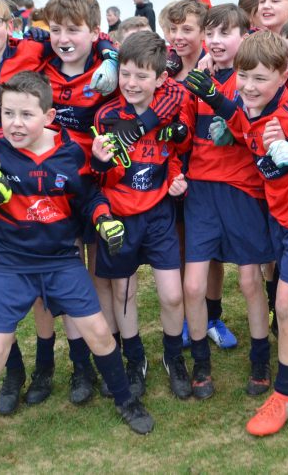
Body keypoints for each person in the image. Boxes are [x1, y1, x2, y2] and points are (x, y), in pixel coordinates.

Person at [0, 71, 152, 474]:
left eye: (25, 114)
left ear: (49, 115)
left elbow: (89, 196)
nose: (15, 123)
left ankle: (126, 400)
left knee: (97, 331)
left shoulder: (72, 152)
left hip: (60, 260)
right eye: (7, 113)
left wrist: (104, 218)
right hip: (7, 264)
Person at [182, 30, 288, 437]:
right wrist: (212, 95)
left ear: (282, 76)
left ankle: (286, 395)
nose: (248, 86)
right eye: (243, 76)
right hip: (281, 213)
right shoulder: (249, 103)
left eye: (260, 78)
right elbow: (241, 117)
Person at [177, 5, 275, 399]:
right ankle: (201, 364)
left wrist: (231, 125)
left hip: (242, 190)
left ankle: (260, 360)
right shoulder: (197, 78)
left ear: (244, 35)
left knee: (251, 281)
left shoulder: (249, 80)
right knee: (193, 284)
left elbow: (256, 131)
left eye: (225, 34)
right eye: (211, 34)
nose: (216, 42)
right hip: (201, 192)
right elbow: (185, 137)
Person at [90, 31, 190, 400]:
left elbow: (177, 148)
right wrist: (99, 161)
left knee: (172, 295)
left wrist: (177, 177)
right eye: (126, 74)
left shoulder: (172, 101)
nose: (132, 83)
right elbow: (97, 176)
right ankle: (134, 359)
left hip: (159, 213)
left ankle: (173, 356)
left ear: (161, 78)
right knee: (123, 293)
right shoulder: (107, 114)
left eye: (142, 76)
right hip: (119, 215)